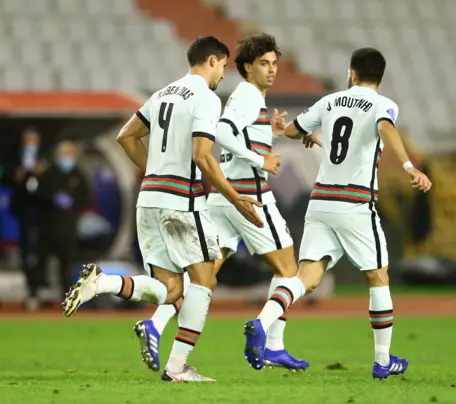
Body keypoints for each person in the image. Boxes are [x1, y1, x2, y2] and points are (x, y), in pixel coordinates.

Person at [61, 36, 264, 382]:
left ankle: (102, 283)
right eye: (224, 66)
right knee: (205, 280)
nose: (223, 75)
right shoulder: (206, 98)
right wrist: (235, 197)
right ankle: (177, 367)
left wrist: (155, 168)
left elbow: (126, 136)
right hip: (180, 201)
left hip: (149, 199)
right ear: (212, 60)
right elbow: (202, 155)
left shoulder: (162, 93)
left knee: (170, 289)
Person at [243, 47, 432, 379]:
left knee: (308, 277)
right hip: (355, 204)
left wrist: (290, 130)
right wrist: (407, 165)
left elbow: (292, 130)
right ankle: (383, 359)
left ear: (352, 73)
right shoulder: (382, 105)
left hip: (321, 203)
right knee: (378, 277)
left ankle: (262, 321)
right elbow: (386, 128)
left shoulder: (330, 101)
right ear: (380, 78)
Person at [134, 33, 309, 372]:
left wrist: (269, 133)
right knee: (289, 271)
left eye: (274, 63)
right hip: (247, 195)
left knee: (203, 275)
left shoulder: (249, 97)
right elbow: (225, 132)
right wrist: (261, 161)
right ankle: (271, 341)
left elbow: (237, 137)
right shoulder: (245, 94)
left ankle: (156, 325)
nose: (272, 70)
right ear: (246, 67)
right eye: (263, 64)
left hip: (220, 197)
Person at [35, 140, 89, 299]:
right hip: (48, 225)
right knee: (41, 260)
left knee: (67, 261)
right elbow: (39, 194)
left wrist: (74, 204)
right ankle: (36, 292)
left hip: (68, 226)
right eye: (65, 154)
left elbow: (85, 195)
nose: (68, 158)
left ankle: (66, 293)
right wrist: (53, 199)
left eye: (71, 154)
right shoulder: (48, 174)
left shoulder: (78, 175)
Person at [10, 128, 44, 307]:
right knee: (26, 250)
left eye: (33, 140)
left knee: (39, 251)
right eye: (27, 140)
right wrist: (16, 176)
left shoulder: (45, 158)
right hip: (22, 211)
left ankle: (38, 286)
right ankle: (29, 285)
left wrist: (41, 174)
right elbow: (3, 176)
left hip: (41, 213)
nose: (30, 143)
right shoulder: (14, 158)